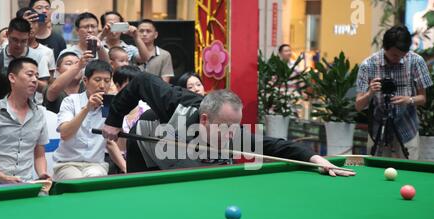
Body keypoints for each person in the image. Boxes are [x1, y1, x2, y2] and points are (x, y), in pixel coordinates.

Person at [102, 71, 355, 177]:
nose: (231, 134)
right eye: (224, 126)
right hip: (148, 148)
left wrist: (316, 160)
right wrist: (114, 121)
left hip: (186, 159)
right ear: (204, 119)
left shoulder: (234, 134)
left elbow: (278, 146)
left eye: (235, 126)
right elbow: (140, 81)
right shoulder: (174, 103)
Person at [355, 25, 433, 160]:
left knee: (408, 175)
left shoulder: (416, 61)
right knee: (375, 174)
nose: (399, 58)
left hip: (407, 129)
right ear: (385, 47)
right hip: (378, 131)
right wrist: (370, 93)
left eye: (403, 55)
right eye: (395, 55)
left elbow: (423, 98)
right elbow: (358, 106)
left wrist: (409, 100)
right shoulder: (368, 65)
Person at [52, 60, 122, 180]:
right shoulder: (71, 101)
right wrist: (87, 108)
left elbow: (113, 143)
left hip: (96, 165)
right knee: (76, 181)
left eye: (107, 81)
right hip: (67, 164)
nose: (102, 86)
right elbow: (65, 133)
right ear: (85, 81)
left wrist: (125, 167)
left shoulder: (111, 106)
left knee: (94, 178)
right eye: (97, 79)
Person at [0, 57, 49, 184]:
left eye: (37, 76)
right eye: (29, 75)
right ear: (12, 78)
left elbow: (40, 155)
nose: (35, 80)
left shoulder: (39, 113)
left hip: (27, 184)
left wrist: (42, 173)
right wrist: (4, 178)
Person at [0, 17, 50, 103]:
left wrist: (27, 78)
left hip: (30, 107)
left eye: (23, 41)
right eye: (14, 40)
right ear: (7, 35)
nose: (18, 45)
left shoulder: (39, 57)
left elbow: (44, 88)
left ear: (28, 36)